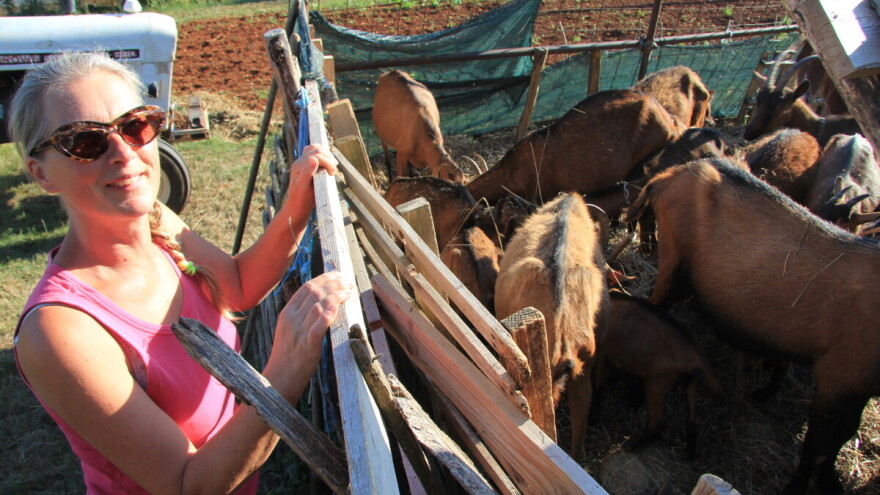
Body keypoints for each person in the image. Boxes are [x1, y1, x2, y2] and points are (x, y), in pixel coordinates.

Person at [9, 50, 354, 494]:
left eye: (135, 126)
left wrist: (298, 204)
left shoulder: (157, 223)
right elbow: (186, 485)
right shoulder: (60, 331)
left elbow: (238, 285)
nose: (122, 152)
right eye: (85, 142)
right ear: (41, 174)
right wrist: (283, 376)